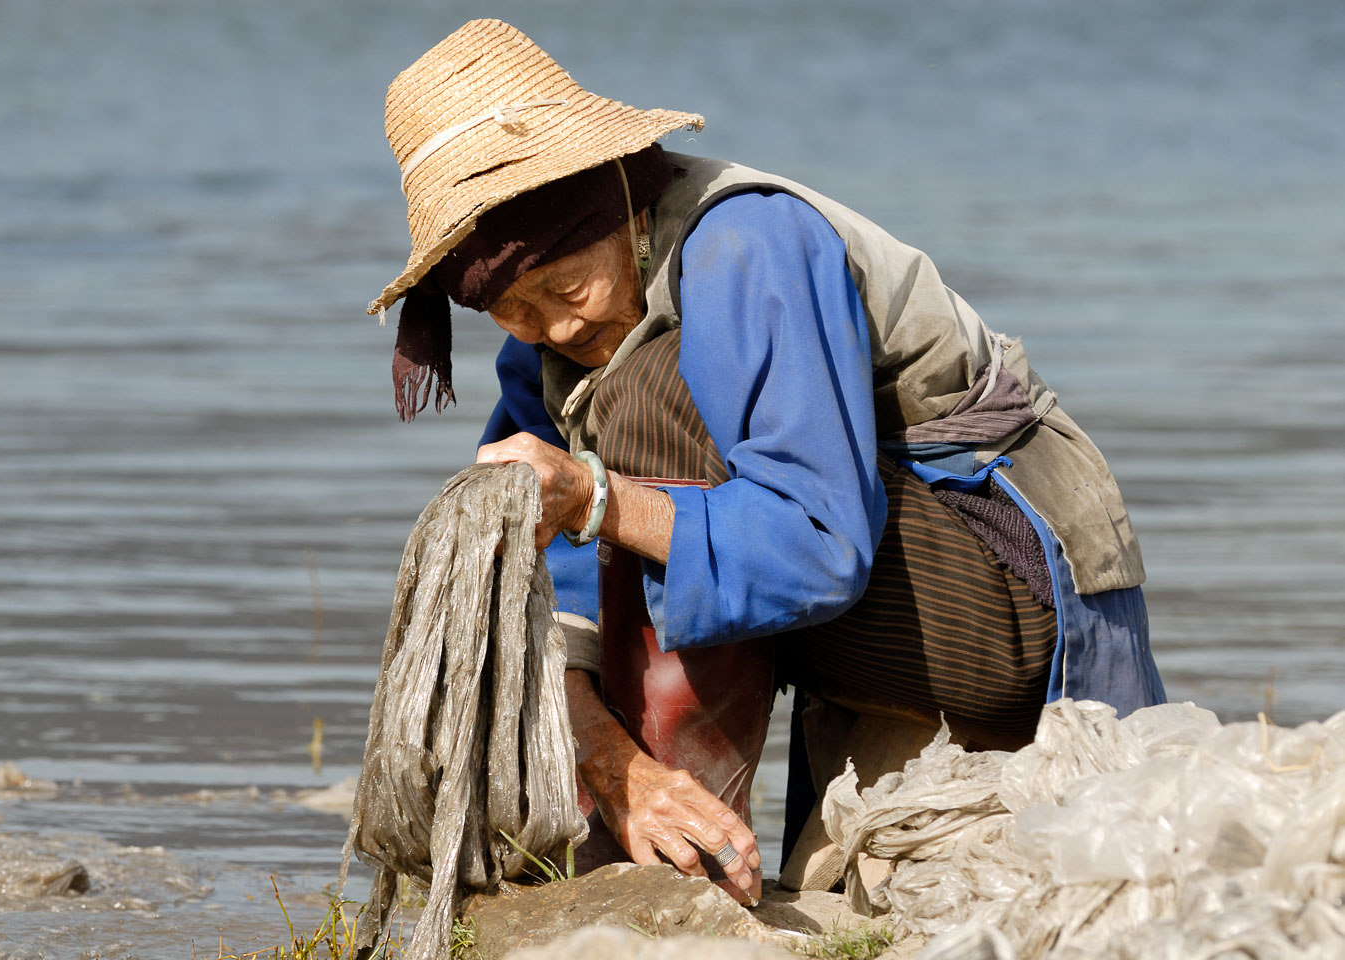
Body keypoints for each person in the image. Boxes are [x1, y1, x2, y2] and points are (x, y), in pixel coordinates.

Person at [368, 19, 1166, 905]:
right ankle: (671, 823)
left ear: (621, 208)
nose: (553, 327)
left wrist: (599, 497)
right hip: (867, 614)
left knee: (645, 398)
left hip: (1002, 587)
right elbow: (556, 602)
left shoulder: (745, 248)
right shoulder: (554, 360)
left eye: (564, 288)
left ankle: (691, 866)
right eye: (512, 310)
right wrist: (614, 770)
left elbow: (816, 542)